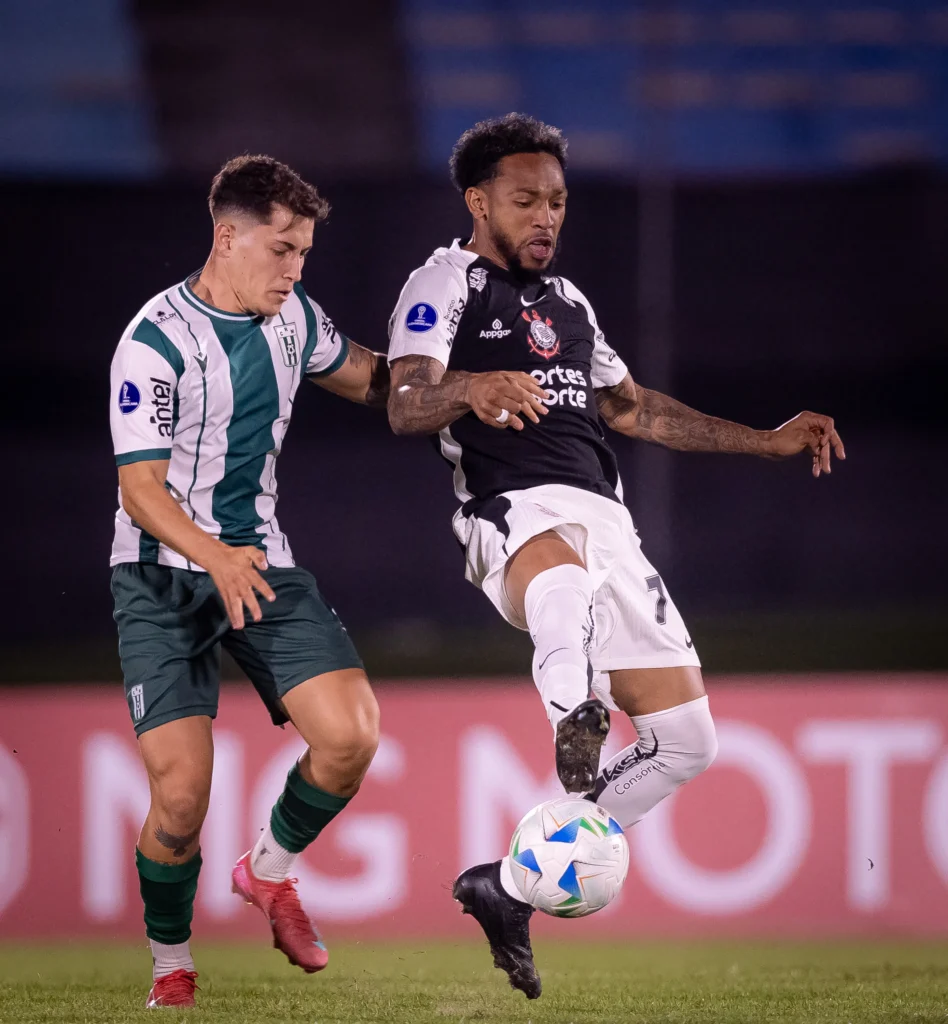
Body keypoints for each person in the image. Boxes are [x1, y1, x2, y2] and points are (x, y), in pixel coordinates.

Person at [386, 114, 845, 999]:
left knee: (687, 743)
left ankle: (508, 886)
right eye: (525, 200)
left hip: (610, 523)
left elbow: (632, 409)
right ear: (479, 202)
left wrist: (765, 439)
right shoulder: (443, 281)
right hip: (510, 509)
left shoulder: (571, 303)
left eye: (557, 202)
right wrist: (473, 387)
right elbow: (406, 401)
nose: (545, 217)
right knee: (558, 574)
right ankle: (577, 716)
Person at [109, 155, 388, 1008]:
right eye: (282, 250)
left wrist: (468, 385)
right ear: (227, 238)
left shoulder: (293, 317)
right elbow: (140, 490)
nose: (296, 269)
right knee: (181, 799)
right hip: (159, 578)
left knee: (352, 736)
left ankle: (267, 871)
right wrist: (213, 555)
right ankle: (171, 964)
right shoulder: (154, 341)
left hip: (260, 563)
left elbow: (373, 380)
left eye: (303, 252)